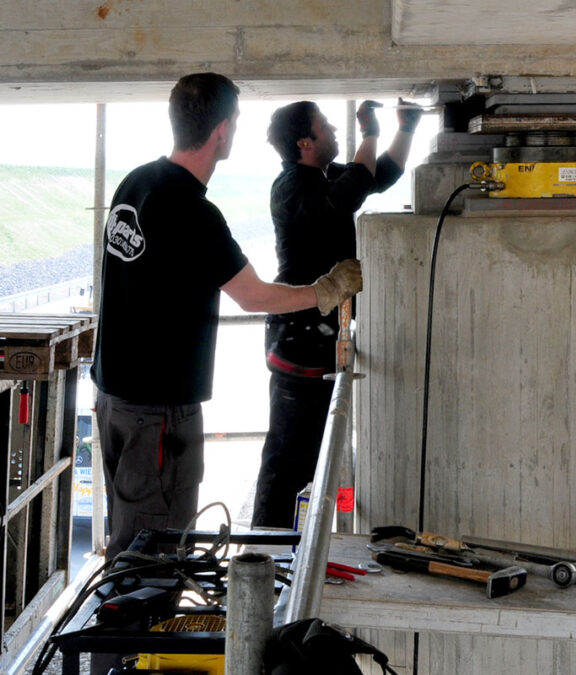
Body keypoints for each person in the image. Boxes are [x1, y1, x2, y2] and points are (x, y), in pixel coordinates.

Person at [91, 73, 365, 561]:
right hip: (157, 412)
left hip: (113, 399)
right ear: (220, 131)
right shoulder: (195, 214)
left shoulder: (136, 182)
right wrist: (326, 290)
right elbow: (254, 296)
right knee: (154, 554)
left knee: (128, 541)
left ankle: (124, 628)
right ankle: (135, 633)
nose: (236, 131)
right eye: (235, 121)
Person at [251, 98, 420, 528]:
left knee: (312, 455)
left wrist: (406, 128)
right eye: (324, 125)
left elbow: (378, 177)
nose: (332, 129)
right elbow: (350, 193)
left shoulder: (323, 177)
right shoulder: (292, 186)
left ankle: (303, 545)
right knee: (288, 458)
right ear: (305, 142)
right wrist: (370, 131)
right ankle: (265, 551)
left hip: (318, 338)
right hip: (298, 340)